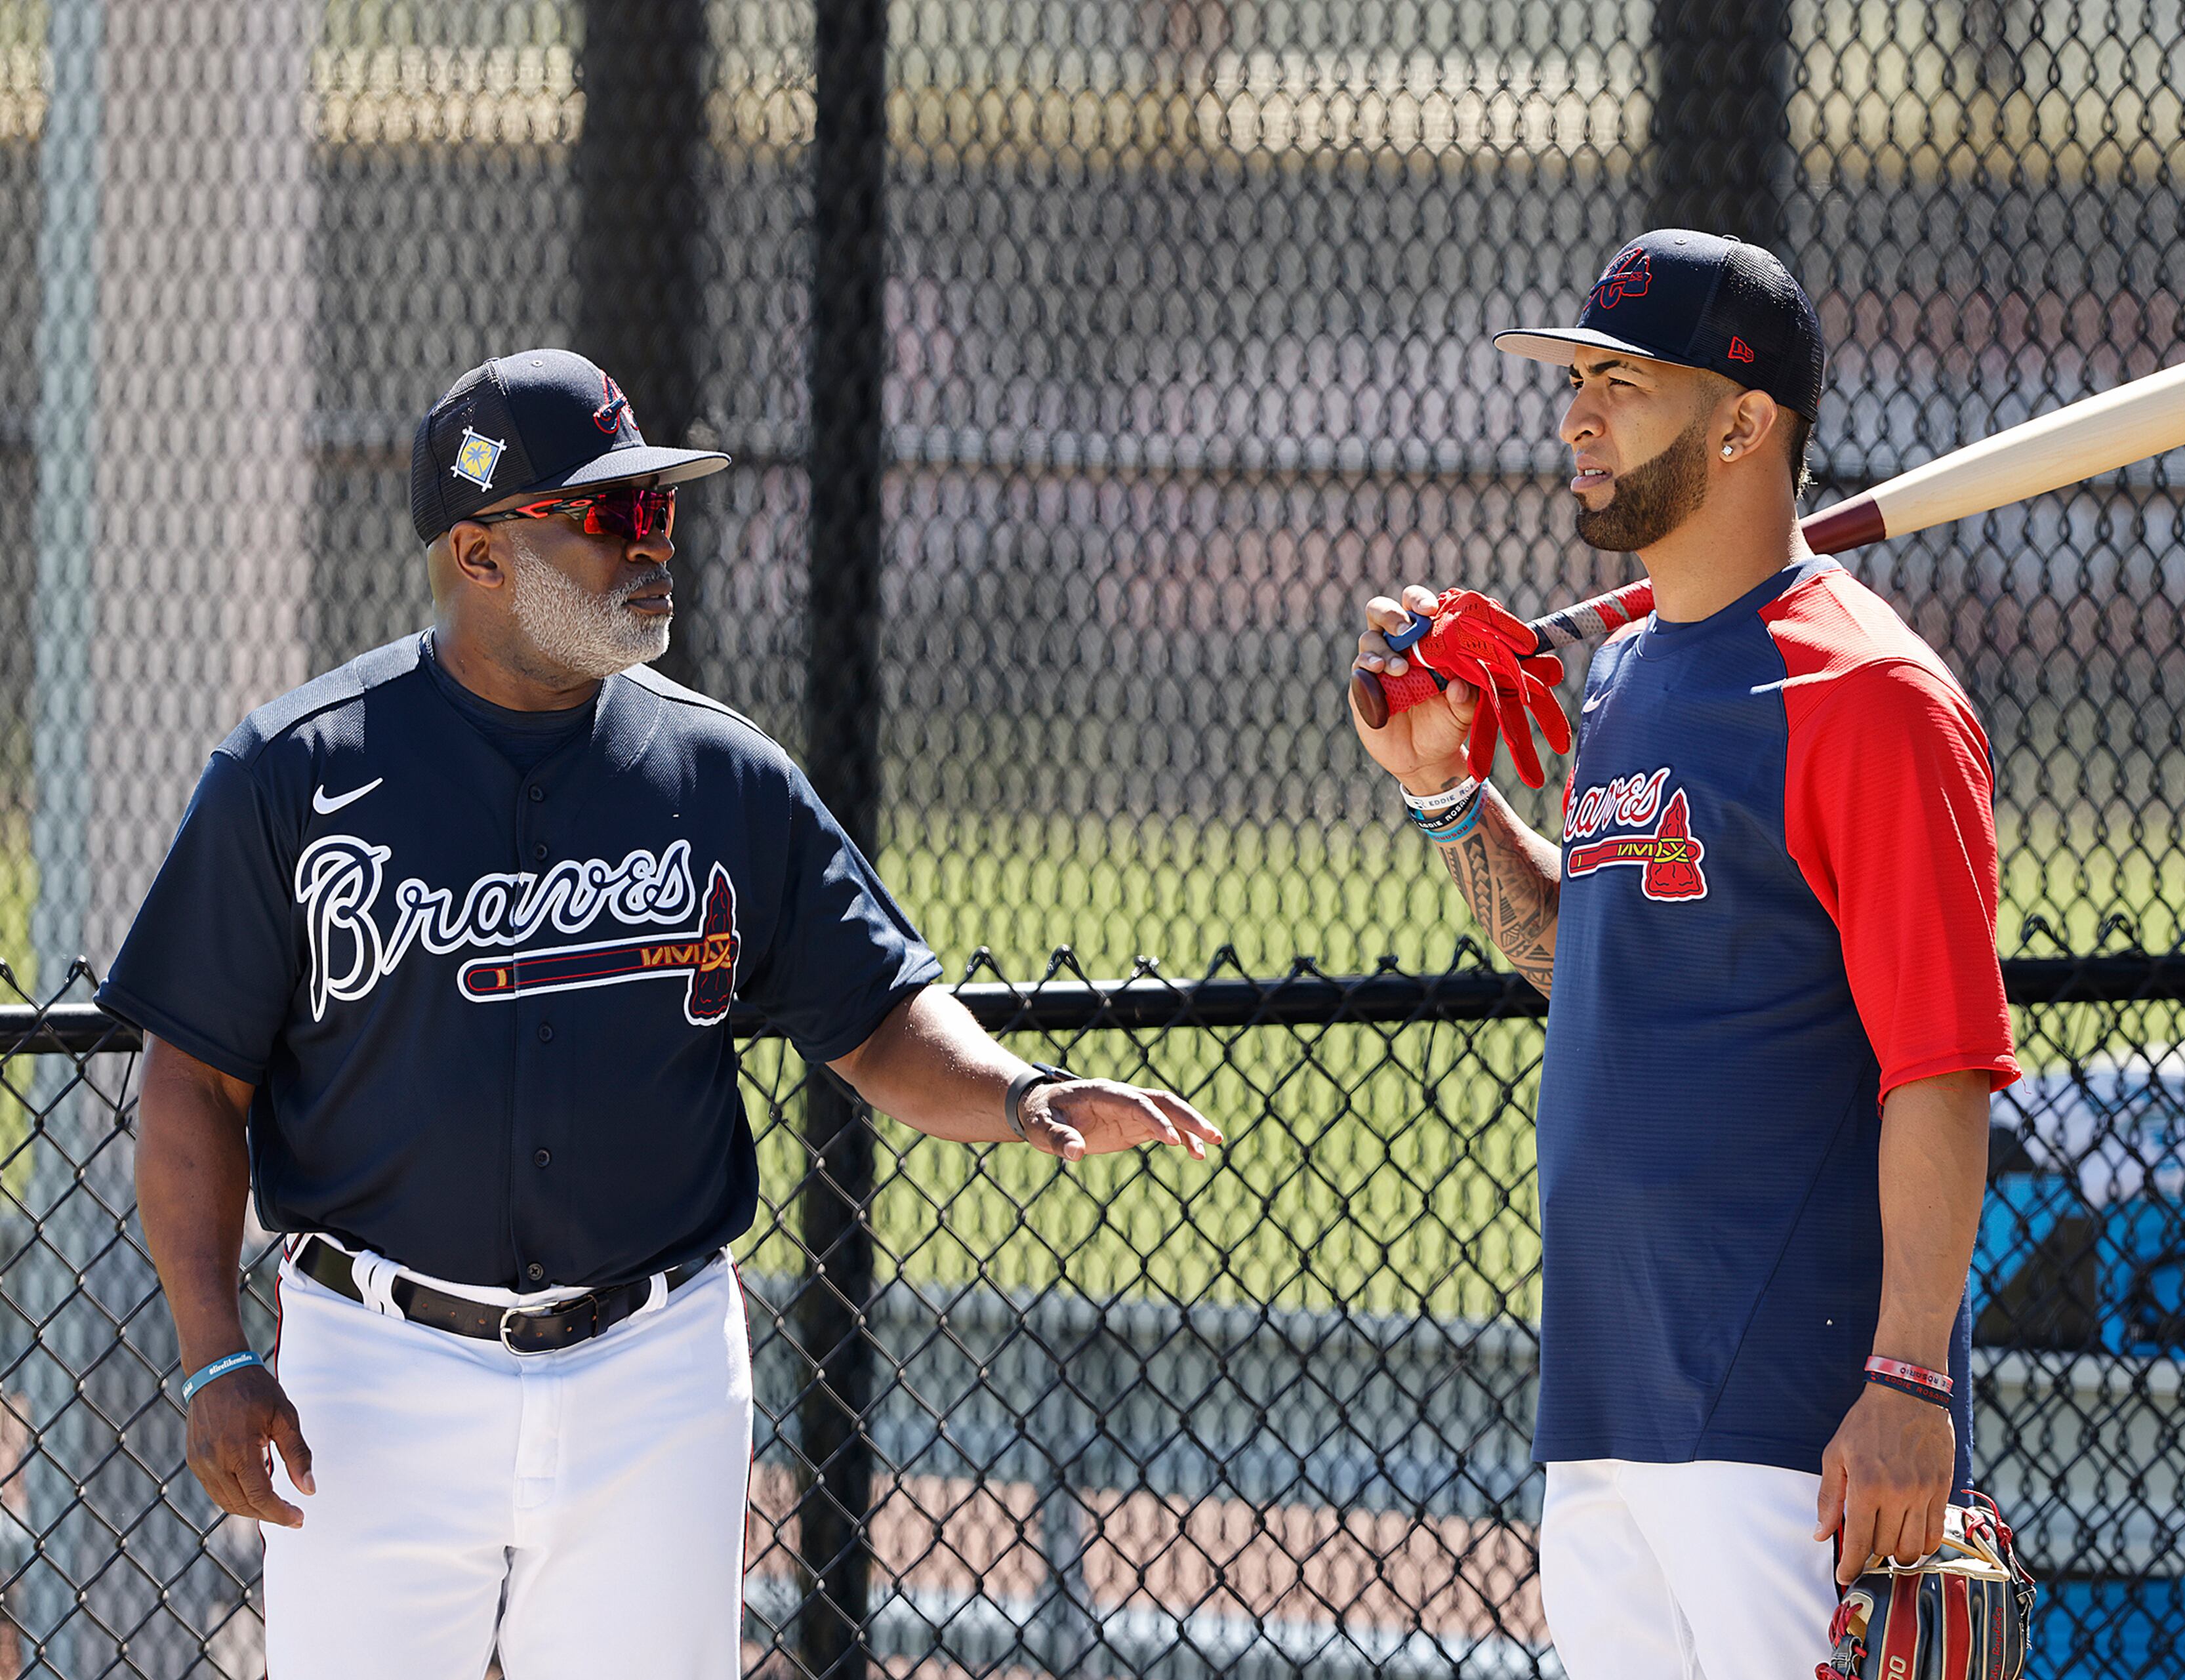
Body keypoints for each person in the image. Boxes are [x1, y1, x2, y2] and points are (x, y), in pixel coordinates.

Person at [99, 349, 1221, 1679]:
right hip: (375, 1373)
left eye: (660, 512)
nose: (652, 547)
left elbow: (878, 1019)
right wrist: (211, 1358)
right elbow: (191, 1087)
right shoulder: (294, 771)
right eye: (607, 517)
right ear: (479, 552)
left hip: (654, 1371)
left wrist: (1019, 1094)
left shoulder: (720, 773)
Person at [1349, 232, 2019, 1677]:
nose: (1578, 417)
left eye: (1625, 384)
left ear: (1740, 423)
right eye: (1577, 380)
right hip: (1608, 1402)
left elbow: (1944, 1067)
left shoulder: (1872, 696)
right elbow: (1588, 963)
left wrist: (1907, 1382)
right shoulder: (1631, 669)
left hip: (1796, 1423)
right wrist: (1445, 790)